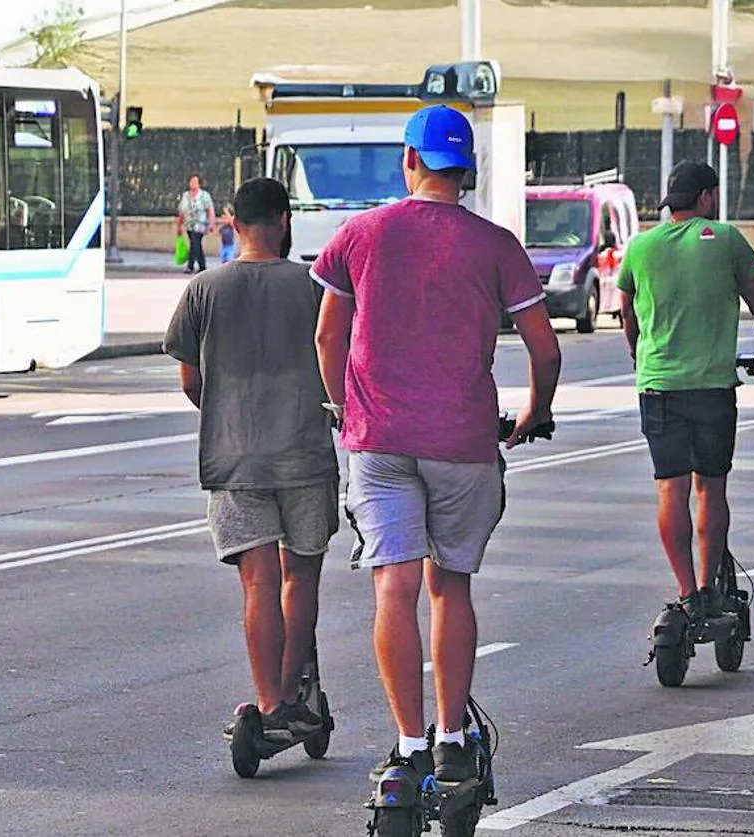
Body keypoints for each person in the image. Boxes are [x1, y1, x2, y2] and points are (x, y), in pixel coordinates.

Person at [313, 105, 561, 784]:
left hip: (380, 439)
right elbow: (545, 347)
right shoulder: (496, 244)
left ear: (410, 161)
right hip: (462, 441)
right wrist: (536, 409)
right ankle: (452, 736)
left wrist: (342, 406)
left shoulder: (360, 234)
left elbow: (328, 337)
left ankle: (409, 744)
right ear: (467, 173)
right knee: (451, 584)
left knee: (393, 584)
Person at [163, 177, 340, 739]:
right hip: (305, 456)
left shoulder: (203, 290)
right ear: (284, 221)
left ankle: (266, 706)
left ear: (233, 223)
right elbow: (338, 360)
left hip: (234, 459)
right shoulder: (313, 287)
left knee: (258, 584)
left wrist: (227, 412)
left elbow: (192, 380)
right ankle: (292, 697)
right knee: (301, 578)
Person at [617, 161, 754, 622]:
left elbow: (627, 313)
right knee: (710, 488)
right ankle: (711, 586)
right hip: (712, 388)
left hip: (658, 387)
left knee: (669, 489)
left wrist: (641, 356)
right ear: (707, 197)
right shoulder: (726, 238)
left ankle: (687, 591)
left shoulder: (640, 246)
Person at [176, 173, 216, 274]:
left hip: (200, 225)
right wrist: (179, 225)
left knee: (194, 243)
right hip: (189, 225)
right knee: (196, 245)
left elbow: (210, 210)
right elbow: (181, 211)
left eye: (195, 182)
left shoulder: (204, 195)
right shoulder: (185, 195)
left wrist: (211, 223)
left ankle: (190, 266)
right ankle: (202, 266)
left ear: (199, 184)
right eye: (191, 182)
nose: (193, 184)